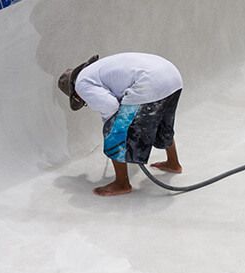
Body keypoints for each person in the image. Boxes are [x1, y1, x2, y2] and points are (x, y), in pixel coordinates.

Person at [58, 53, 184, 196]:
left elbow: (110, 107)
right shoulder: (94, 70)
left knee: (113, 131)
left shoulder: (82, 85)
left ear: (75, 95)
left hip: (149, 83)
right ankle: (173, 163)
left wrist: (112, 128)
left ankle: (121, 183)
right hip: (172, 76)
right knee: (162, 123)